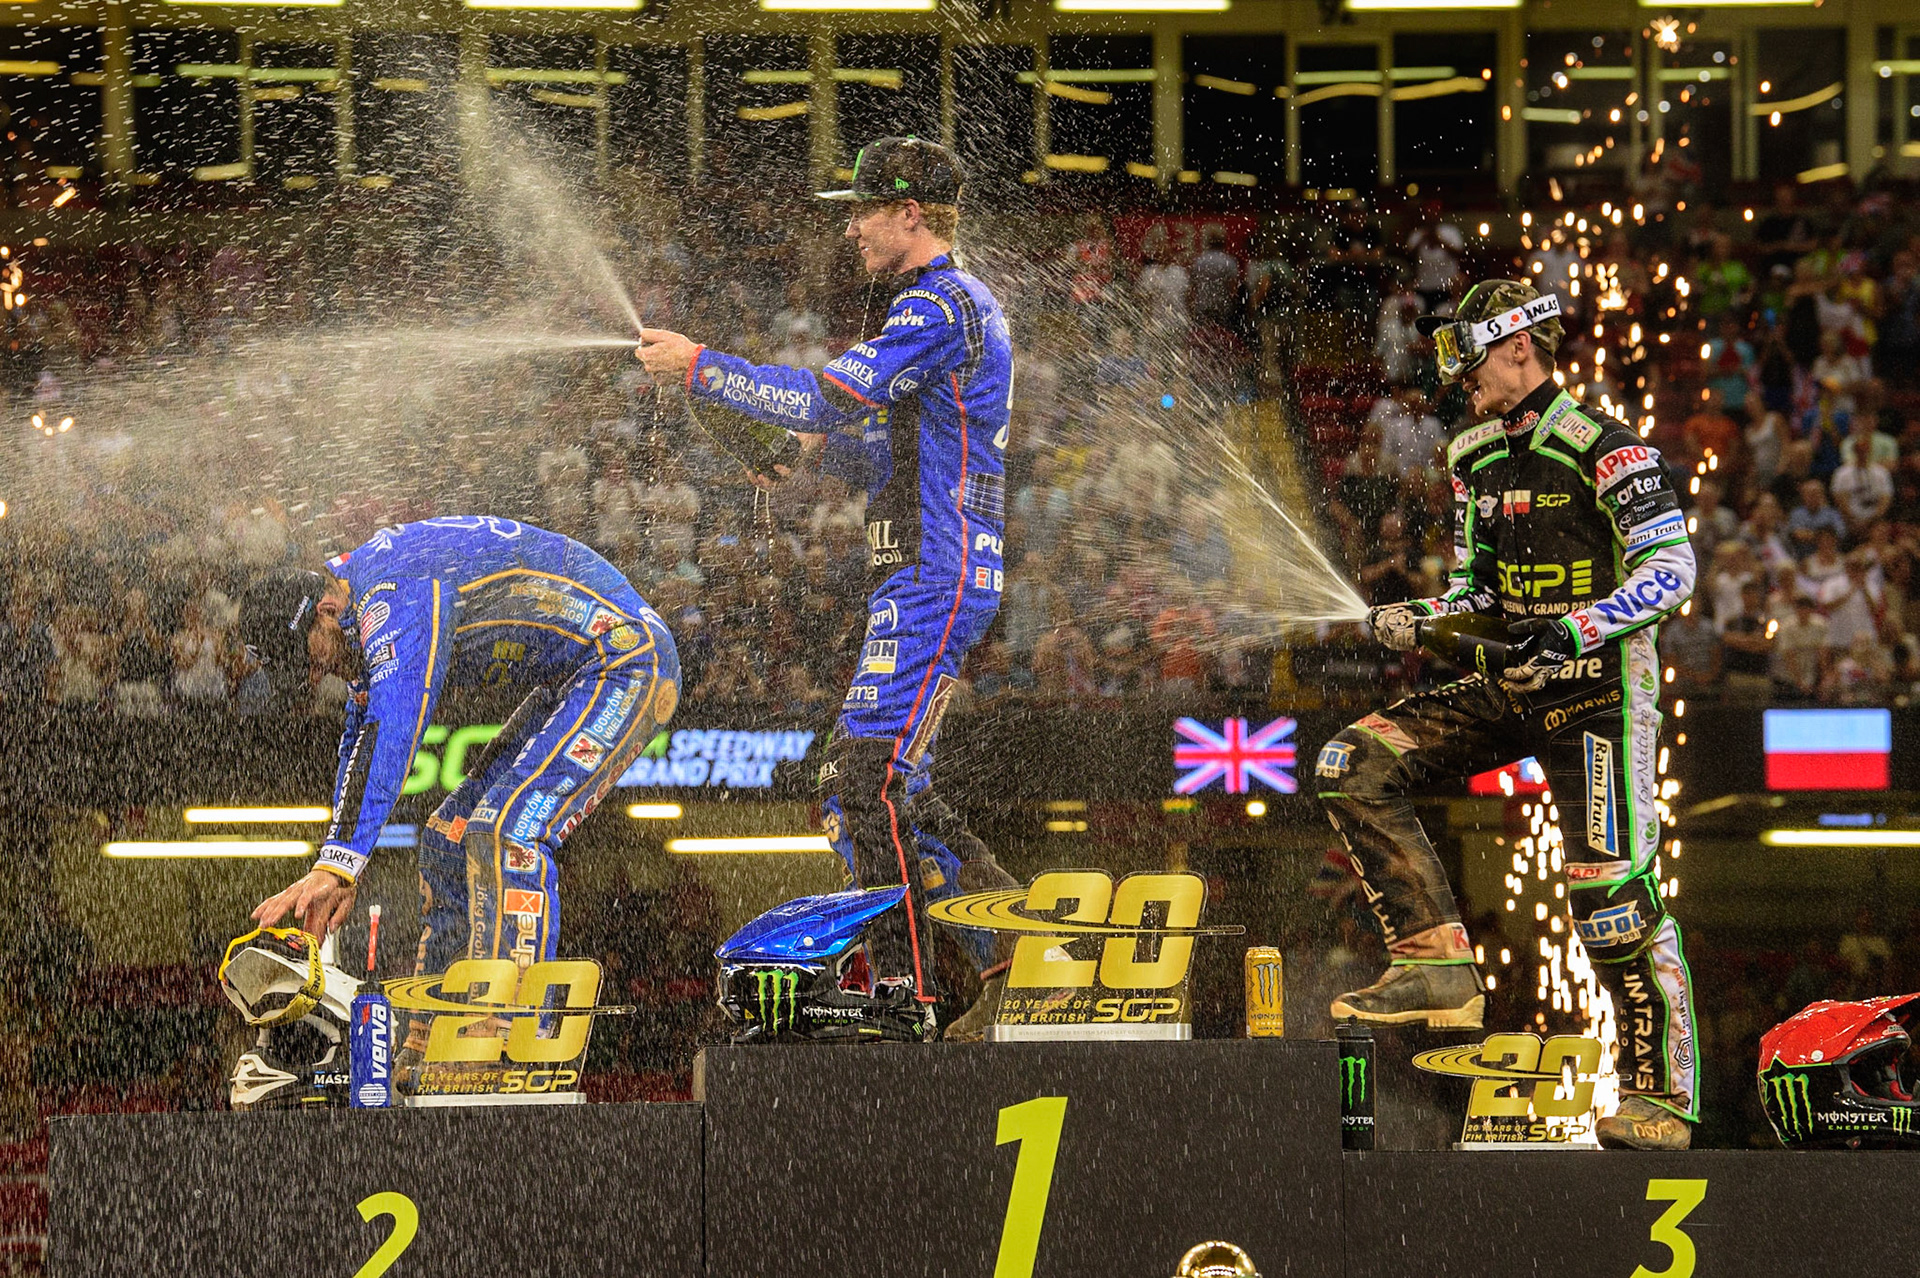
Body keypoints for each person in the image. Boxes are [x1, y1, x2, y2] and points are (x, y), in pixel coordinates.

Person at [635, 137, 1018, 1036]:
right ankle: (1020, 960)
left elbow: (819, 401)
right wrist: (799, 459)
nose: (849, 228)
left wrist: (699, 364)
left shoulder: (944, 304)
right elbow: (882, 447)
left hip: (937, 573)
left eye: (862, 210)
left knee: (867, 778)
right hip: (920, 574)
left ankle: (911, 996)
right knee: (871, 787)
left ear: (911, 215)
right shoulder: (934, 312)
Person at [1312, 279, 1700, 1150]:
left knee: (1607, 899)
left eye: (1473, 355)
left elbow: (1673, 572)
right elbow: (1475, 589)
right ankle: (1437, 962)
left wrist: (1575, 629)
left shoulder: (1610, 450)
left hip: (1598, 692)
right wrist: (1431, 619)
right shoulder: (1473, 453)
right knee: (1352, 762)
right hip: (1507, 684)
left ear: (1520, 345)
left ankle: (1662, 1095)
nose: (1460, 376)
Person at [242, 516, 679, 1063]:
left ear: (326, 614)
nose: (313, 677)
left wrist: (341, 863)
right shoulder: (354, 609)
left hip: (626, 660)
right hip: (572, 676)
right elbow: (359, 742)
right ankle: (431, 1036)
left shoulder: (391, 595)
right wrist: (342, 863)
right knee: (447, 839)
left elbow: (398, 723)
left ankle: (503, 1037)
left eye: (309, 661)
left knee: (506, 831)